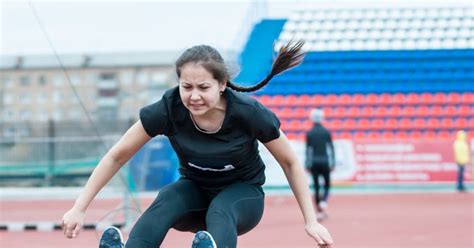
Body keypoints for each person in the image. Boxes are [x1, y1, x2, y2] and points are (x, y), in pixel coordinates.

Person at [61, 40, 333, 248]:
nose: (194, 96)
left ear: (222, 84)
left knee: (221, 208)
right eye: (186, 86)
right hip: (194, 194)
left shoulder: (248, 114)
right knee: (167, 197)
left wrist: (310, 220)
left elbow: (290, 161)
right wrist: (79, 207)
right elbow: (116, 156)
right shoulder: (168, 108)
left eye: (203, 87)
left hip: (242, 198)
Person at [305, 108, 335, 221]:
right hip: (325, 161)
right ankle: (323, 201)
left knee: (316, 186)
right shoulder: (326, 132)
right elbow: (331, 148)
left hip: (314, 162)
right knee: (327, 184)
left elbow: (308, 150)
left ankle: (319, 211)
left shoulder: (310, 133)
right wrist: (333, 162)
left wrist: (307, 163)